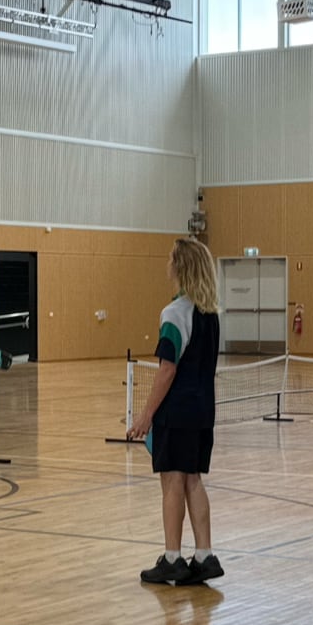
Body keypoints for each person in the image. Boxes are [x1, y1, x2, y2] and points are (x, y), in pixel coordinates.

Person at [127, 238, 225, 587]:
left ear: (179, 267)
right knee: (193, 479)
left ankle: (172, 559)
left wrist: (145, 415)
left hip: (177, 411)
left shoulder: (174, 313)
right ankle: (204, 555)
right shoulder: (210, 314)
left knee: (172, 482)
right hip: (203, 410)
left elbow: (167, 369)